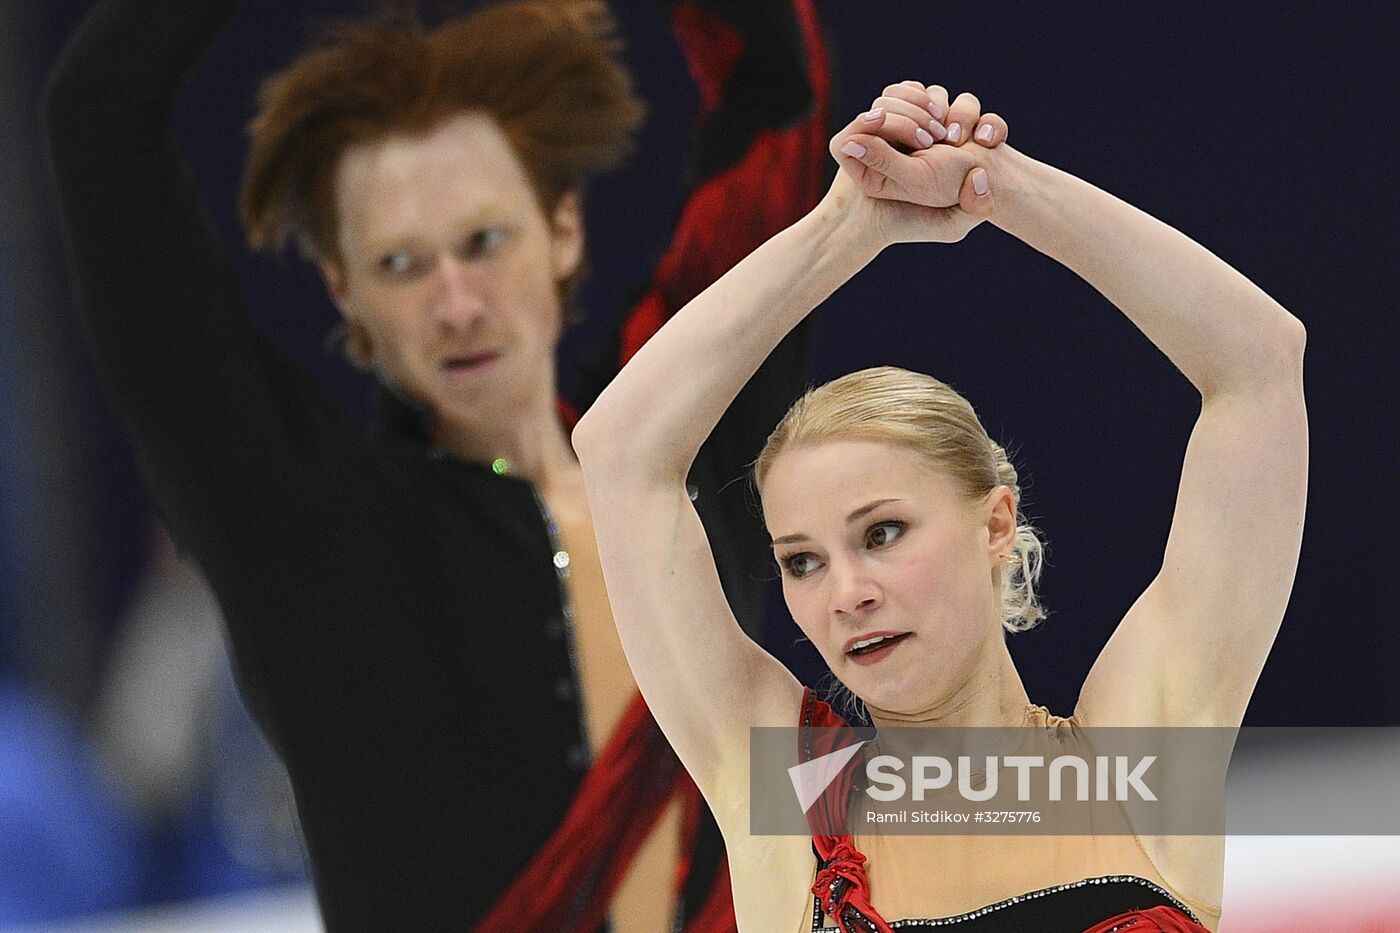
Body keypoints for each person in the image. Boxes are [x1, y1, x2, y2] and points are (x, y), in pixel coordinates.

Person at [41, 0, 850, 927]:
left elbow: (776, 79)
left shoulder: (683, 439)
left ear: (563, 230)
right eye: (400, 263)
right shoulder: (303, 525)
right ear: (344, 287)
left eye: (483, 242)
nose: (456, 301)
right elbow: (96, 116)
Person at [573, 79, 1307, 932]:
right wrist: (850, 222)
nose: (845, 591)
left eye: (881, 533)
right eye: (801, 560)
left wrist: (997, 184)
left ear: (995, 523)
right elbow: (619, 451)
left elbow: (1258, 361)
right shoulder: (782, 785)